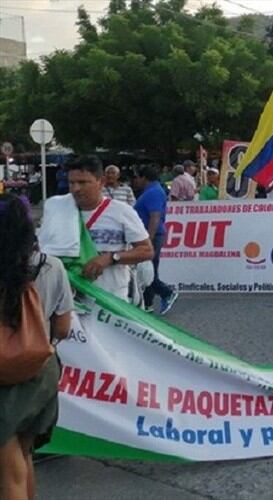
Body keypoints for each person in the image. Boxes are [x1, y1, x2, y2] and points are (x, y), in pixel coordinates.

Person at [0, 194, 73, 500]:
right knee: (24, 455)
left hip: (4, 379)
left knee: (7, 468)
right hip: (40, 371)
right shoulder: (51, 266)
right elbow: (64, 328)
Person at [67, 156, 154, 300]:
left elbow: (146, 251)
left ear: (101, 182)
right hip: (70, 299)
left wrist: (111, 258)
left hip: (111, 298)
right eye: (71, 183)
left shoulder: (121, 211)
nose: (76, 188)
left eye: (83, 182)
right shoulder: (59, 211)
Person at [133, 165, 179, 315]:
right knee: (147, 269)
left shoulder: (153, 192)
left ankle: (166, 292)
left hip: (151, 235)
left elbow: (155, 217)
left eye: (137, 177)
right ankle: (148, 304)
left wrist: (147, 239)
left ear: (144, 178)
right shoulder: (152, 191)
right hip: (148, 235)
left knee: (147, 271)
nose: (135, 181)